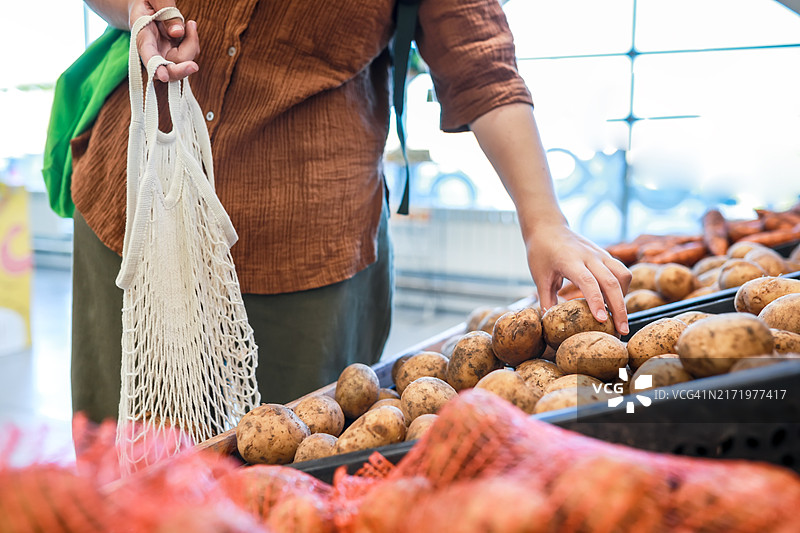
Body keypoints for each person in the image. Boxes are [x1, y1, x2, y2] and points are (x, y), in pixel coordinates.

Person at [72, 0, 631, 422]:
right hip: (136, 211)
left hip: (306, 256)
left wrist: (543, 220)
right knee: (125, 462)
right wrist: (137, 13)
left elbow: (480, 63)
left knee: (283, 474)